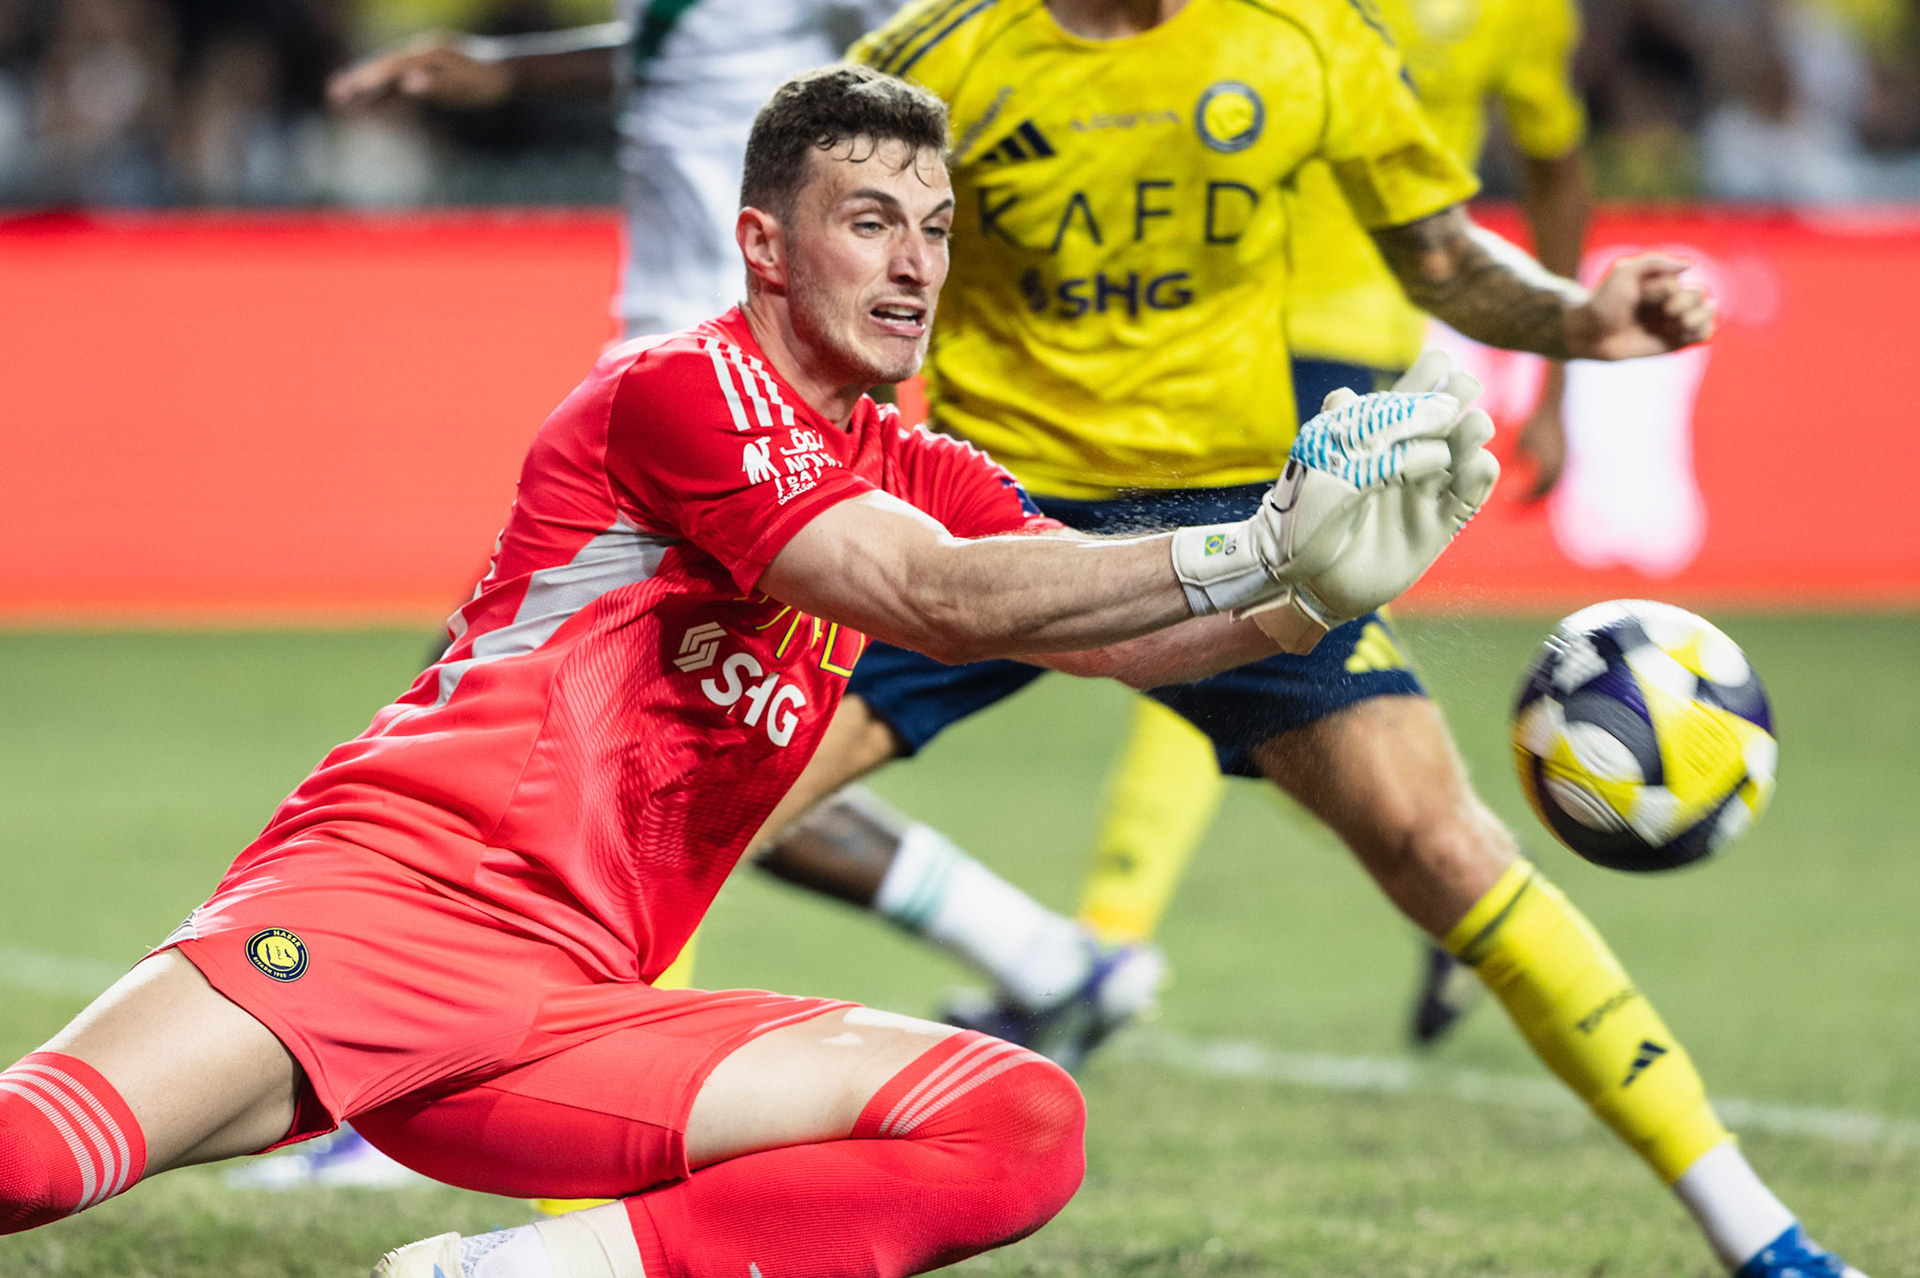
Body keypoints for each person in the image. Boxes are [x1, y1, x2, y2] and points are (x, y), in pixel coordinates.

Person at [0, 65, 1499, 1278]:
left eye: (936, 224)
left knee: (1015, 1120)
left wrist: (1308, 600)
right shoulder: (678, 388)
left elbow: (1106, 633)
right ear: (768, 245)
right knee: (29, 1162)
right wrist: (1251, 542)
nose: (915, 262)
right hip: (391, 909)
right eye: (870, 220)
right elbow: (929, 594)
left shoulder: (917, 461)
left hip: (572, 1008)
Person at [745, 4, 1863, 1277]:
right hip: (979, 526)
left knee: (1444, 843)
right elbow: (812, 297)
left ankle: (1764, 1239)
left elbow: (1440, 258)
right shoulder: (927, 62)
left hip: (1239, 527)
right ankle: (575, 1225)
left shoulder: (1303, 36)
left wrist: (1581, 325)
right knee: (695, 826)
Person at [327, 0, 903, 339]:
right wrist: (508, 69)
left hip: (759, 319)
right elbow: (690, 54)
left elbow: (930, 57)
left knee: (563, 537)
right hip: (680, 313)